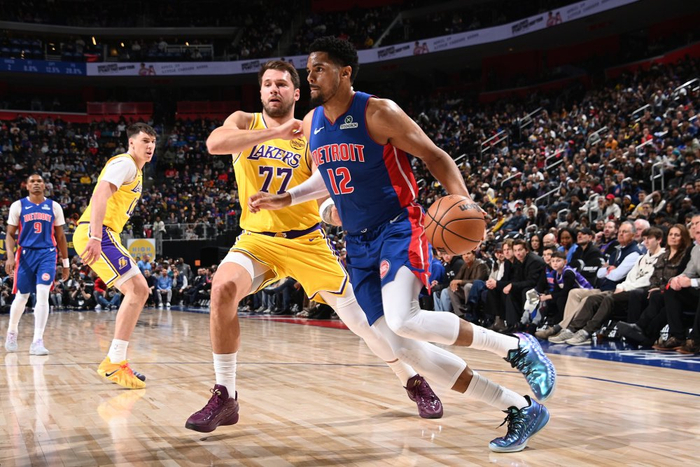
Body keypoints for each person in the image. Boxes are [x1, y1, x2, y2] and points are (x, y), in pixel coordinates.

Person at [251, 37, 555, 452]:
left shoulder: (378, 112)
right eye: (309, 70)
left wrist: (464, 203)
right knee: (402, 347)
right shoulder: (312, 121)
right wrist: (288, 198)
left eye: (319, 68)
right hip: (358, 243)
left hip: (398, 226)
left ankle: (516, 347)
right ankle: (519, 407)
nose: (311, 77)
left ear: (345, 72)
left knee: (404, 319)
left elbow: (436, 156)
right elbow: (327, 174)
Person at [186, 60, 444, 434]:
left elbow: (325, 187)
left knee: (362, 323)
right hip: (257, 240)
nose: (273, 89)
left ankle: (412, 380)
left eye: (281, 84)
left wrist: (330, 211)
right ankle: (225, 395)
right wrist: (275, 133)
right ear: (260, 92)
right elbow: (214, 143)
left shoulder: (313, 131)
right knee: (222, 288)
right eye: (267, 84)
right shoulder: (244, 121)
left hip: (307, 241)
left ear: (296, 92)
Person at [72, 123, 157, 389]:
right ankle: (115, 362)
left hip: (106, 233)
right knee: (138, 290)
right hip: (98, 232)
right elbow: (100, 194)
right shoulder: (125, 163)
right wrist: (96, 236)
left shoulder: (136, 171)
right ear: (131, 143)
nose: (150, 146)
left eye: (153, 142)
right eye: (145, 141)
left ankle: (116, 360)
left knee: (137, 291)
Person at [4, 174, 70, 355]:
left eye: (39, 181)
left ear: (44, 185)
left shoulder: (54, 207)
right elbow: (9, 234)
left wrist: (66, 264)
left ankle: (37, 341)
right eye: (32, 181)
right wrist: (9, 256)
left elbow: (61, 237)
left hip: (47, 253)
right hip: (25, 254)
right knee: (22, 296)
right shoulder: (18, 206)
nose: (36, 184)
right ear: (26, 186)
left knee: (42, 294)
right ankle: (12, 331)